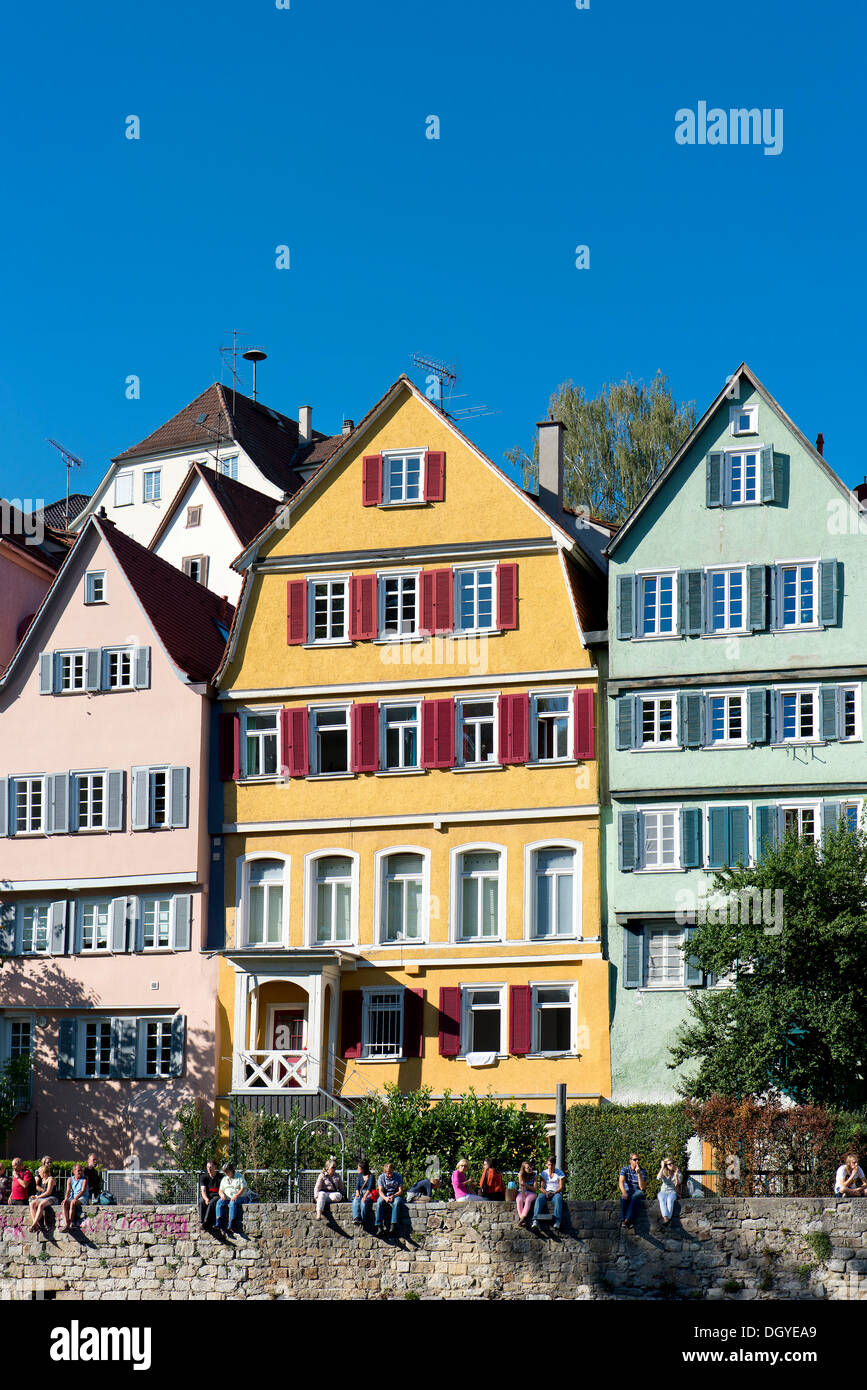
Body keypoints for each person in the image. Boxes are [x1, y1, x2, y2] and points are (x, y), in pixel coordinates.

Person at [533, 1155, 566, 1232]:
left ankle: (557, 1221)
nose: (550, 1167)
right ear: (546, 1165)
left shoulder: (560, 1173)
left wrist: (554, 1192)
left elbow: (561, 1187)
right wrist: (546, 1192)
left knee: (558, 1199)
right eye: (548, 1165)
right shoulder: (544, 1173)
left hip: (556, 1192)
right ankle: (535, 1221)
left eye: (551, 1165)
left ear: (554, 1164)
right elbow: (541, 1187)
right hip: (546, 1192)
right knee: (539, 1198)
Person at [375, 1162, 406, 1237]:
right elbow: (380, 1191)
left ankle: (393, 1224)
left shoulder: (398, 1177)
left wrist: (393, 1196)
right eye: (388, 1173)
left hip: (395, 1194)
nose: (389, 1175)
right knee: (379, 1203)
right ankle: (379, 1226)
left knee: (397, 1202)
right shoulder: (381, 1177)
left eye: (391, 1173)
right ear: (385, 1172)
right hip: (385, 1194)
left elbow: (400, 1191)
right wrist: (385, 1198)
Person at [215, 1164, 247, 1234]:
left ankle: (231, 1223)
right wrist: (222, 1195)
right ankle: (218, 1222)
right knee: (219, 1202)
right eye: (225, 1172)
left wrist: (236, 1195)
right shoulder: (224, 1179)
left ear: (231, 1170)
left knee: (232, 1203)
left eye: (227, 1171)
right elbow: (220, 1190)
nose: (226, 1173)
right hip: (227, 1197)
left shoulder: (239, 1177)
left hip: (239, 1197)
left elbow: (243, 1188)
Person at [28, 1158, 59, 1233]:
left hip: (52, 1198)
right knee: (32, 1204)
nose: (39, 1174)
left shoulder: (50, 1179)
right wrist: (35, 1197)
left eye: (40, 1172)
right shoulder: (42, 1180)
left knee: (41, 1205)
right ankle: (38, 1224)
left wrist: (38, 1197)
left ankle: (34, 1224)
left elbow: (48, 1192)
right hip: (45, 1198)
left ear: (43, 1172)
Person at [619, 1152, 647, 1229]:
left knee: (635, 1196)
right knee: (623, 1198)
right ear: (630, 1160)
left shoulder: (642, 1171)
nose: (637, 1161)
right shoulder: (624, 1169)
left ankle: (627, 1220)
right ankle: (625, 1221)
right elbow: (621, 1182)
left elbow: (642, 1188)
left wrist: (639, 1174)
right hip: (628, 1190)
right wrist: (624, 1192)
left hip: (638, 1190)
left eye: (638, 1159)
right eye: (635, 1159)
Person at [61, 1163, 88, 1231]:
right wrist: (66, 1199)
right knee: (65, 1203)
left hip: (82, 1197)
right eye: (78, 1170)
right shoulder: (70, 1179)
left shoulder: (84, 1179)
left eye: (81, 1170)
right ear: (74, 1171)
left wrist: (75, 1198)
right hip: (73, 1197)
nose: (80, 1172)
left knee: (73, 1202)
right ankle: (66, 1223)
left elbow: (82, 1191)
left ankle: (69, 1224)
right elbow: (68, 1191)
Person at [198, 1159, 222, 1231]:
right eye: (208, 1167)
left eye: (211, 1167)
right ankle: (202, 1221)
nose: (209, 1169)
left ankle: (206, 1221)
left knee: (213, 1201)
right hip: (208, 1196)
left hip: (217, 1196)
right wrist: (206, 1199)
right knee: (201, 1201)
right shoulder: (204, 1177)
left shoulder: (221, 1177)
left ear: (215, 1167)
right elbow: (203, 1190)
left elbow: (222, 1189)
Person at [352, 1161, 377, 1227]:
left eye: (358, 1168)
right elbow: (357, 1186)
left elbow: (370, 1188)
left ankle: (363, 1219)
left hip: (368, 1193)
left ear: (363, 1169)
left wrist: (365, 1196)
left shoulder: (371, 1176)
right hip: (360, 1192)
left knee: (363, 1203)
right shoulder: (359, 1175)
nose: (357, 1169)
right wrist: (357, 1193)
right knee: (356, 1200)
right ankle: (356, 1217)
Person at [656, 1157, 681, 1223]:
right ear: (666, 1166)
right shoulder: (664, 1172)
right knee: (662, 1199)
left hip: (672, 1191)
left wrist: (676, 1176)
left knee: (670, 1200)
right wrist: (662, 1167)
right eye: (669, 1164)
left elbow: (677, 1184)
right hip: (663, 1191)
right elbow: (658, 1178)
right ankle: (665, 1218)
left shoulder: (677, 1172)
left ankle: (667, 1218)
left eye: (672, 1163)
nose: (671, 1165)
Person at [515, 1161, 538, 1227]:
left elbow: (535, 1189)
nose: (530, 1168)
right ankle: (522, 1219)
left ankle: (522, 1217)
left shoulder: (534, 1175)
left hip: (532, 1193)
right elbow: (522, 1187)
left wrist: (526, 1185)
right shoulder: (521, 1174)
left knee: (528, 1200)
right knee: (519, 1200)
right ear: (524, 1169)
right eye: (528, 1168)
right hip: (522, 1192)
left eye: (530, 1166)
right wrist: (523, 1196)